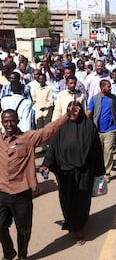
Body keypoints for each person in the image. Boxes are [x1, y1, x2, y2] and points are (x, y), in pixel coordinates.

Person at [0, 107, 74, 260]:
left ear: (18, 121)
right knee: (0, 226)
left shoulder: (28, 138)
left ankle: (22, 255)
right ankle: (9, 252)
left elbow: (49, 130)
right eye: (5, 121)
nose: (9, 124)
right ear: (2, 123)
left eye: (12, 120)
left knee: (23, 229)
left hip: (22, 192)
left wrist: (67, 115)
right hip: (2, 192)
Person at [40, 102, 105, 246]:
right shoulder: (60, 127)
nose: (73, 112)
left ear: (81, 110)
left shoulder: (89, 126)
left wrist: (100, 172)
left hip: (84, 172)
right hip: (65, 172)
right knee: (67, 200)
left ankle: (78, 228)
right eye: (70, 110)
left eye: (77, 110)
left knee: (82, 200)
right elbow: (53, 148)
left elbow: (97, 150)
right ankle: (71, 223)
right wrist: (46, 164)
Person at [86, 79, 116, 182]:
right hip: (98, 130)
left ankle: (106, 173)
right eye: (108, 86)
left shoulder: (113, 98)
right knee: (99, 152)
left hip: (111, 130)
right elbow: (89, 113)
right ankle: (98, 170)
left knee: (108, 151)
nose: (110, 88)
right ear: (102, 87)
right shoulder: (95, 99)